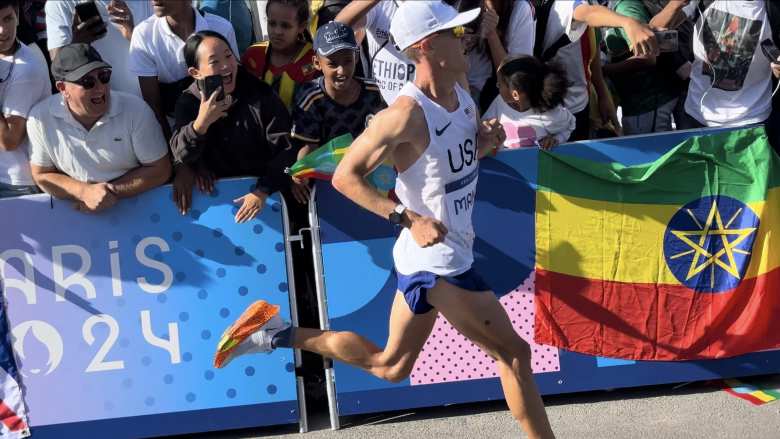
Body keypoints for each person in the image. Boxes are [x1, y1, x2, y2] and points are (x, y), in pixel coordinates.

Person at [216, 2, 556, 438]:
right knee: (513, 355)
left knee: (390, 365)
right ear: (426, 46)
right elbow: (345, 176)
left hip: (435, 255)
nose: (464, 39)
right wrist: (406, 216)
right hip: (438, 263)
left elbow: (447, 166)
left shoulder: (463, 97)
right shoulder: (403, 115)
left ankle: (275, 333)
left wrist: (485, 143)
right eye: (454, 34)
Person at [27, 43, 170, 212]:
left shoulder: (136, 110)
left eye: (104, 76)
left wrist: (110, 192)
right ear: (62, 88)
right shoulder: (40, 119)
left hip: (139, 210)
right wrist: (83, 192)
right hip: (76, 214)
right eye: (88, 82)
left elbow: (161, 169)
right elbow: (41, 175)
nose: (100, 87)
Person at [169, 31, 296, 222]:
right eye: (214, 62)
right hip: (216, 208)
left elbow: (287, 152)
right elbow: (181, 155)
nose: (226, 66)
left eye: (228, 56)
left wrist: (263, 190)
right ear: (196, 73)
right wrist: (200, 125)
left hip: (266, 203)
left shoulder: (260, 93)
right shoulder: (188, 103)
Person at [289, 21, 386, 203]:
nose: (342, 71)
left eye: (348, 61)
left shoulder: (374, 92)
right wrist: (300, 172)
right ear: (317, 63)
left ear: (356, 58)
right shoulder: (310, 98)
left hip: (370, 178)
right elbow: (309, 147)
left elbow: (385, 140)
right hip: (328, 184)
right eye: (332, 64)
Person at [128, 0, 238, 140]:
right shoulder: (143, 35)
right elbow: (152, 103)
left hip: (225, 128)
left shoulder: (222, 28)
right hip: (179, 134)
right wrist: (173, 148)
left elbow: (236, 81)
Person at [680, 0, 780, 129]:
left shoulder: (773, 9)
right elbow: (657, 26)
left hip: (752, 119)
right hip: (696, 114)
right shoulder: (703, 2)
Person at [46, 0, 153, 96]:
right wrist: (78, 44)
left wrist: (133, 35)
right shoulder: (60, 3)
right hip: (94, 109)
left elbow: (164, 58)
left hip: (146, 105)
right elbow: (58, 69)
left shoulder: (147, 2)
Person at [603, 0, 679, 135]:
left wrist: (602, 70)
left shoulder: (627, 7)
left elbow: (647, 57)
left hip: (647, 104)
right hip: (635, 103)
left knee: (652, 153)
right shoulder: (617, 5)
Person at [0, 0, 50, 198]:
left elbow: (9, 140)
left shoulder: (27, 68)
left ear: (18, 16)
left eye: (8, 19)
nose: (2, 30)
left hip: (12, 184)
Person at [483, 55, 575, 149]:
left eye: (499, 84)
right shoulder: (499, 102)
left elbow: (570, 124)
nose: (497, 86)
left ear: (515, 95)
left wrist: (556, 139)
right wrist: (487, 127)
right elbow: (484, 123)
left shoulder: (549, 114)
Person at [242, 0, 318, 110]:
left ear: (302, 26)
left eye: (285, 26)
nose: (277, 31)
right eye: (272, 23)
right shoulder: (253, 55)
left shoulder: (313, 61)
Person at [336, 0, 415, 105]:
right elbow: (338, 27)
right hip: (380, 106)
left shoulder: (437, 6)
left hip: (421, 107)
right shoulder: (381, 5)